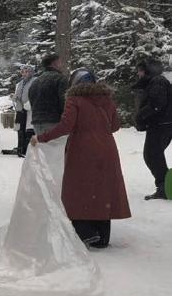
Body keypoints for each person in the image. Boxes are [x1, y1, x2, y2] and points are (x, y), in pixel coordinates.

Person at [31, 70, 131, 247]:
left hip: (82, 149)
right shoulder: (106, 99)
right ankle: (102, 235)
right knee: (103, 189)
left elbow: (66, 126)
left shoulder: (74, 99)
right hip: (107, 150)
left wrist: (42, 137)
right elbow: (115, 125)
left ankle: (85, 230)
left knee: (78, 188)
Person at [132, 59, 172, 200]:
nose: (138, 74)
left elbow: (158, 103)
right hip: (161, 124)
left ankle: (165, 188)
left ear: (148, 70)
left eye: (140, 70)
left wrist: (141, 115)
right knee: (153, 155)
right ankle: (165, 186)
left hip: (161, 125)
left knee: (152, 155)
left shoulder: (157, 81)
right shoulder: (155, 81)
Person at [28, 53, 69, 135]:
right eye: (60, 62)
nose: (62, 64)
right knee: (58, 147)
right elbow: (64, 101)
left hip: (37, 123)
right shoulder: (60, 79)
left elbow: (31, 100)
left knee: (43, 147)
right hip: (54, 121)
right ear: (55, 63)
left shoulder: (35, 82)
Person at [12, 66, 36, 156]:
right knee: (20, 129)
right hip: (20, 110)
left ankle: (27, 150)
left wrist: (30, 103)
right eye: (22, 72)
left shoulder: (34, 82)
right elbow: (18, 95)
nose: (24, 74)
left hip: (29, 110)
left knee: (28, 131)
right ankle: (20, 148)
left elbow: (36, 94)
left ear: (31, 72)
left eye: (26, 72)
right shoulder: (20, 83)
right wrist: (14, 97)